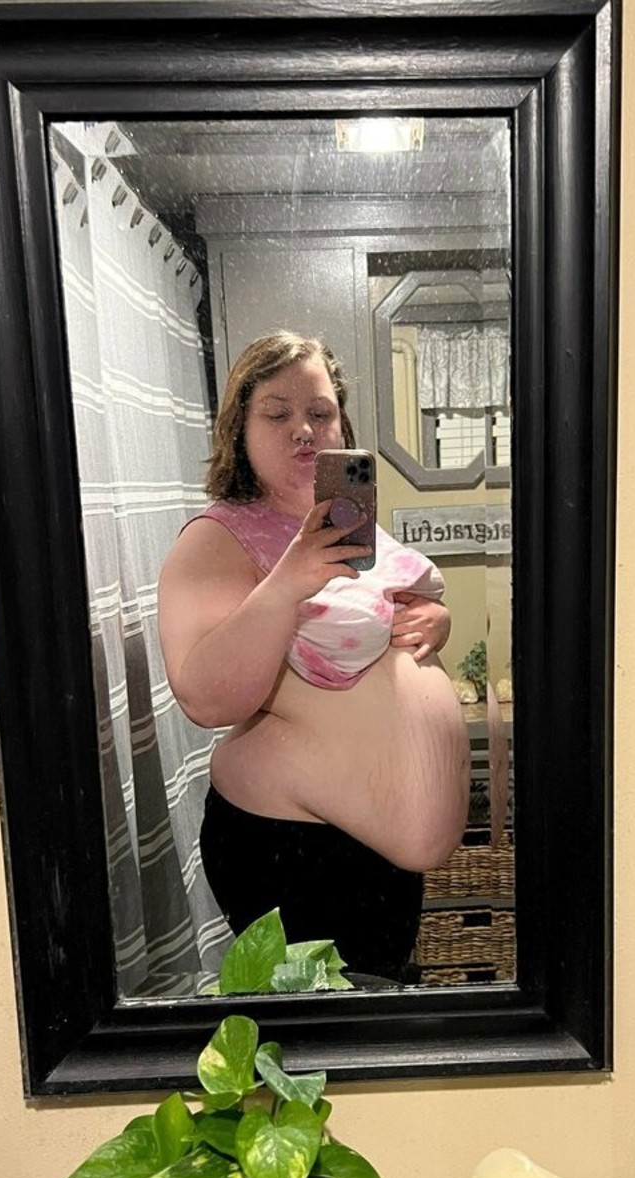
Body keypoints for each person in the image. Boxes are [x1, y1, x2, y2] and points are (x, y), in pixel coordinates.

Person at [158, 331, 470, 980]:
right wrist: (287, 583)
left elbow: (384, 619)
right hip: (292, 844)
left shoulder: (348, 525)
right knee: (315, 1024)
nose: (303, 428)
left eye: (320, 412)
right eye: (277, 413)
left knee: (374, 1005)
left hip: (375, 845)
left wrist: (434, 622)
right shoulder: (217, 538)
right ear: (239, 429)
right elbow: (206, 696)